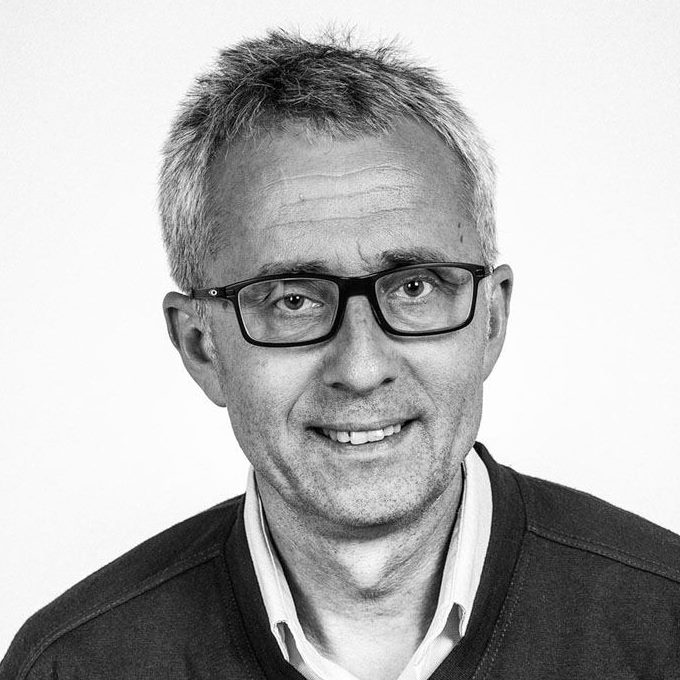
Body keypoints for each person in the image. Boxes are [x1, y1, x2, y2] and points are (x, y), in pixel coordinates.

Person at [2, 29, 679, 680]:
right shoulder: (71, 666)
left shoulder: (668, 624)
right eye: (293, 300)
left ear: (492, 319)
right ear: (201, 345)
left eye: (414, 288)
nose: (360, 367)